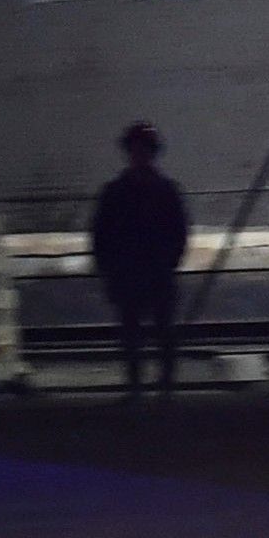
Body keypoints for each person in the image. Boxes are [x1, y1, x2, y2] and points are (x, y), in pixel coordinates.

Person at [88, 121, 191, 399]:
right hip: (151, 271)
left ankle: (139, 388)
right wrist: (168, 263)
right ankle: (163, 387)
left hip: (132, 272)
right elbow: (180, 233)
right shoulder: (166, 191)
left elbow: (100, 235)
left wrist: (108, 270)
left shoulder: (115, 193)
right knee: (159, 332)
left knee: (135, 333)